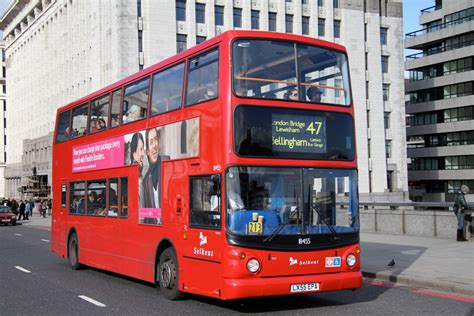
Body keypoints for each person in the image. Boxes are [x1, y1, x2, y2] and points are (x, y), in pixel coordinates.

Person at [142, 128, 170, 215]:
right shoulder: (146, 180)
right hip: (155, 225)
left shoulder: (167, 161)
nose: (155, 145)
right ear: (147, 151)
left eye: (155, 140)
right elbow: (146, 210)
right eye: (151, 142)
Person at [130, 132, 145, 206]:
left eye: (143, 149)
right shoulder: (134, 172)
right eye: (140, 149)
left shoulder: (140, 170)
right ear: (134, 154)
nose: (143, 153)